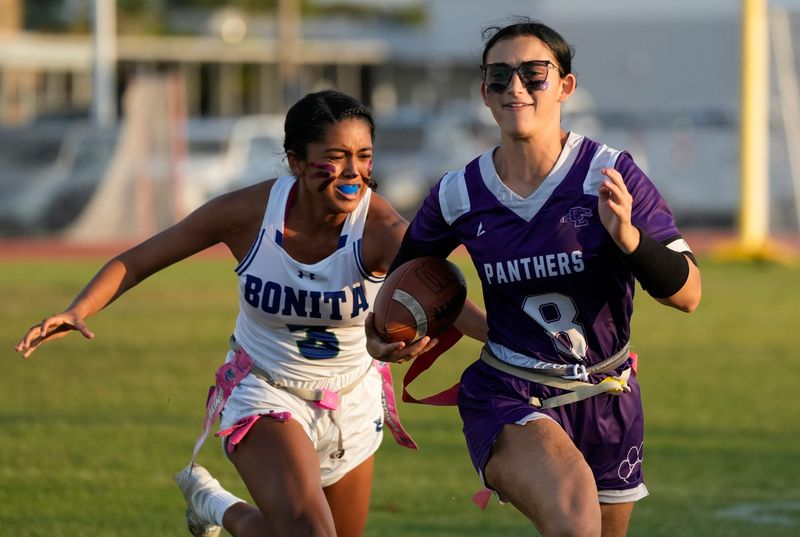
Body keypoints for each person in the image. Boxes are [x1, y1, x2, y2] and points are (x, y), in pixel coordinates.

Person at [15, 89, 486, 537]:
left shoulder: (381, 228)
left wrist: (525, 344)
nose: (352, 172)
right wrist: (78, 309)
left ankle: (216, 504)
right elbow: (139, 259)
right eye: (336, 156)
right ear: (296, 161)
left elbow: (448, 301)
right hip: (265, 388)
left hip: (352, 398)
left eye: (363, 156)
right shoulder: (247, 212)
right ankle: (227, 507)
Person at [368, 18, 702, 537]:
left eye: (533, 74)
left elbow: (689, 295)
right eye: (499, 77)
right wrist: (393, 331)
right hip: (511, 391)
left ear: (565, 86)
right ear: (484, 92)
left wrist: (630, 240)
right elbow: (409, 282)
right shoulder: (458, 193)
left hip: (607, 393)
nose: (515, 88)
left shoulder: (609, 174)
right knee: (574, 523)